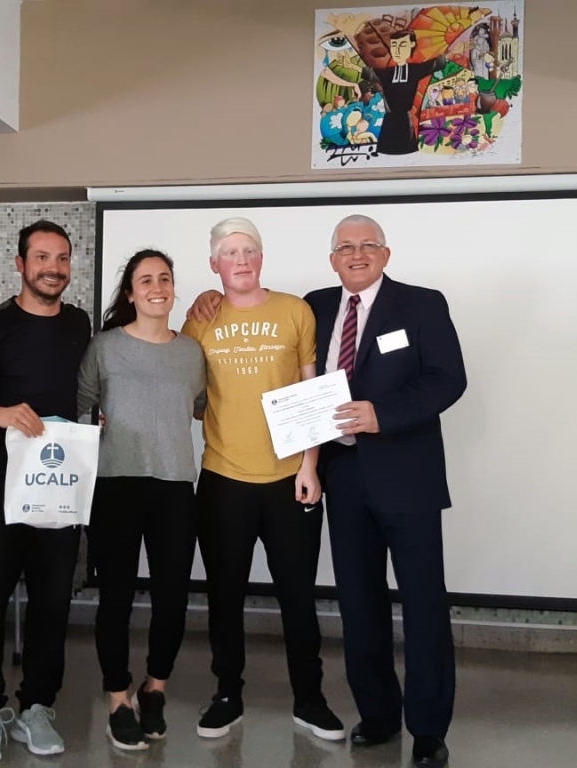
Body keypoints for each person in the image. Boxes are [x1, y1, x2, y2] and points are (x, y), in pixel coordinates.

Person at [306, 214, 466, 767]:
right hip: (343, 480)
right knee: (359, 604)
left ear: (386, 253)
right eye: (345, 247)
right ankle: (377, 715)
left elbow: (448, 380)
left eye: (367, 245)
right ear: (332, 259)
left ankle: (428, 730)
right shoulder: (316, 304)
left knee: (423, 605)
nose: (357, 254)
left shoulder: (422, 304)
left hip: (409, 479)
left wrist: (382, 414)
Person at [180, 217, 345, 743]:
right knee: (224, 594)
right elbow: (179, 390)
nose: (242, 259)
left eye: (249, 249)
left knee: (297, 594)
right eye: (230, 252)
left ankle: (310, 699)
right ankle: (227, 695)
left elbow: (312, 389)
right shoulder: (200, 319)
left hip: (289, 479)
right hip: (223, 477)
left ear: (261, 258)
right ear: (215, 264)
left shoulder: (295, 311)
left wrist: (310, 465)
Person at [0, 220, 91, 763]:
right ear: (20, 264)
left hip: (60, 481)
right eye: (42, 258)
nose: (53, 268)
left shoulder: (80, 324)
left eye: (61, 258)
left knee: (53, 601)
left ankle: (37, 705)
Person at [77, 249, 207, 751]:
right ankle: (117, 697)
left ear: (174, 288)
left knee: (172, 597)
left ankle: (155, 689)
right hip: (114, 485)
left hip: (176, 486)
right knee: (115, 599)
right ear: (130, 293)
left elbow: (197, 408)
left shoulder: (191, 352)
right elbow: (80, 404)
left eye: (165, 278)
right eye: (145, 280)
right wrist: (101, 420)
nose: (157, 287)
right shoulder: (104, 347)